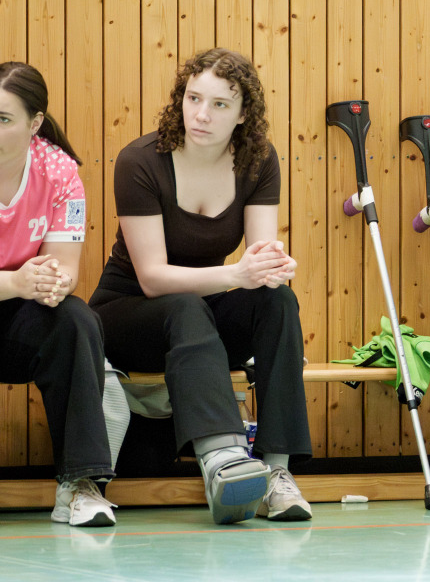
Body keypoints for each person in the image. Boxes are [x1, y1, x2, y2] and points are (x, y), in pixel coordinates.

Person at [89, 48, 312, 524]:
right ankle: (222, 463)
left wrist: (273, 268)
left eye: (219, 104)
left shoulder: (258, 159)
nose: (201, 115)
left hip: (198, 323)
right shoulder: (140, 161)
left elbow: (259, 258)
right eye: (193, 98)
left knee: (277, 300)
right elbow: (152, 278)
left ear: (243, 114)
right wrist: (236, 275)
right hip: (127, 314)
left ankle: (276, 472)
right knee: (185, 306)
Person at [0, 61, 117, 527]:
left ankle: (79, 484)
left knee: (76, 319)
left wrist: (51, 283)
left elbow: (64, 267)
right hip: (10, 289)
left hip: (19, 318)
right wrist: (14, 282)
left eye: (3, 119)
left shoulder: (60, 171)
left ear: (35, 124)